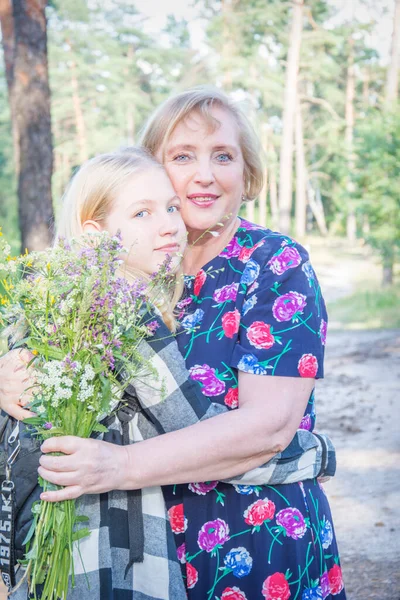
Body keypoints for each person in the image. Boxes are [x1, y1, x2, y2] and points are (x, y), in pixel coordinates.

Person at [0, 146, 335, 600]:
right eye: (143, 213)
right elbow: (194, 426)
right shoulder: (125, 317)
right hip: (106, 552)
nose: (169, 225)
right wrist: (311, 452)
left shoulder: (55, 306)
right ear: (96, 234)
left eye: (171, 208)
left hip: (57, 555)